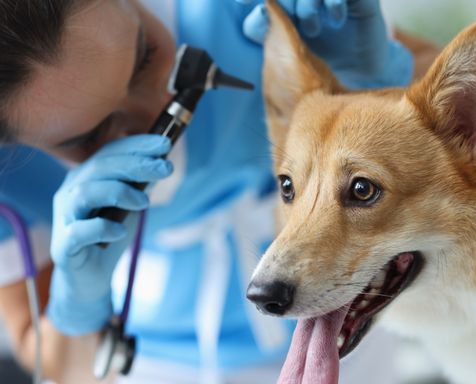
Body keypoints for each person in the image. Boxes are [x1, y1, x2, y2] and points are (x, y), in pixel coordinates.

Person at [0, 0, 414, 383]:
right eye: (91, 134)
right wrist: (78, 305)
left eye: (145, 55)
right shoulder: (11, 185)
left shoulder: (245, 12)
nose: (158, 112)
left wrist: (372, 85)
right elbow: (66, 367)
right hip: (149, 360)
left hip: (342, 331)